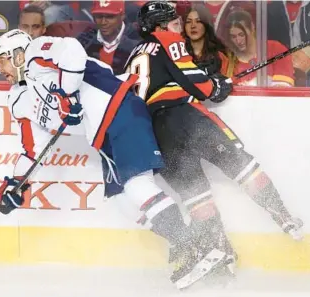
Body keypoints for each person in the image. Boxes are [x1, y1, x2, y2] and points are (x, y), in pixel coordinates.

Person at [0, 29, 209, 289]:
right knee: (120, 200)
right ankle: (184, 243)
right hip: (102, 135)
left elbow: (72, 51)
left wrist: (67, 96)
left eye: (0, 61)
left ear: (16, 54)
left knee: (137, 186)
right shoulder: (18, 98)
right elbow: (32, 148)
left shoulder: (36, 52)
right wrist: (17, 184)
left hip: (120, 108)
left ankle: (198, 248)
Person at [124, 0, 304, 282]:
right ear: (159, 25)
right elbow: (199, 84)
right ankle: (284, 217)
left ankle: (220, 253)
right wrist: (219, 85)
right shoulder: (167, 39)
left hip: (157, 132)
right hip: (185, 118)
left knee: (196, 194)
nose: (179, 24)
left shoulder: (134, 53)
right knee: (240, 165)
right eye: (172, 19)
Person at [225, 10, 295, 87]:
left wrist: (253, 84)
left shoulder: (276, 48)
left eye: (242, 34)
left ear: (252, 27)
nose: (238, 41)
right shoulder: (228, 59)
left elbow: (283, 87)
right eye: (233, 36)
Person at [77, 0, 139, 75]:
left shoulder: (139, 41)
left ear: (122, 15)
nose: (103, 22)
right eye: (99, 16)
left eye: (110, 17)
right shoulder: (84, 40)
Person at [182, 4, 235, 77]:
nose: (193, 26)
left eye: (198, 21)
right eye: (188, 22)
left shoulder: (220, 57)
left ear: (206, 24)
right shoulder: (178, 54)